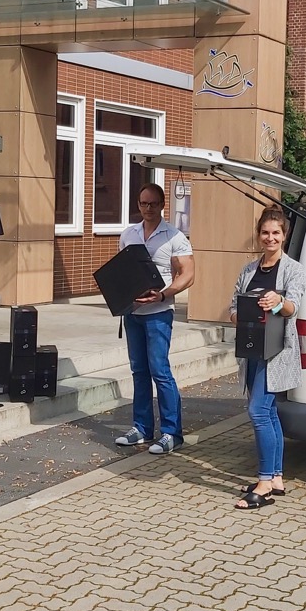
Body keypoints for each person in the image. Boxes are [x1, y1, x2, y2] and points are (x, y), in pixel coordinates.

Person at [229, 206, 306, 510]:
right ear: (259, 235)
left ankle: (263, 485)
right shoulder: (248, 270)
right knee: (270, 412)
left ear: (284, 236)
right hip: (251, 351)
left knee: (258, 411)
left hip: (276, 354)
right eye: (265, 232)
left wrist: (278, 301)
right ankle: (275, 476)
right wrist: (240, 314)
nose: (270, 237)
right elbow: (233, 306)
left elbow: (293, 308)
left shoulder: (294, 270)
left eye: (276, 233)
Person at [115, 182, 195, 454]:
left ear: (162, 205)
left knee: (160, 371)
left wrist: (163, 295)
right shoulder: (129, 234)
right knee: (139, 371)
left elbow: (188, 274)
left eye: (153, 204)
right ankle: (142, 428)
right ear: (138, 205)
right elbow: (121, 270)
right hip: (133, 313)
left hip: (159, 313)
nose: (147, 208)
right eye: (143, 203)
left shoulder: (174, 237)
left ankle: (172, 433)